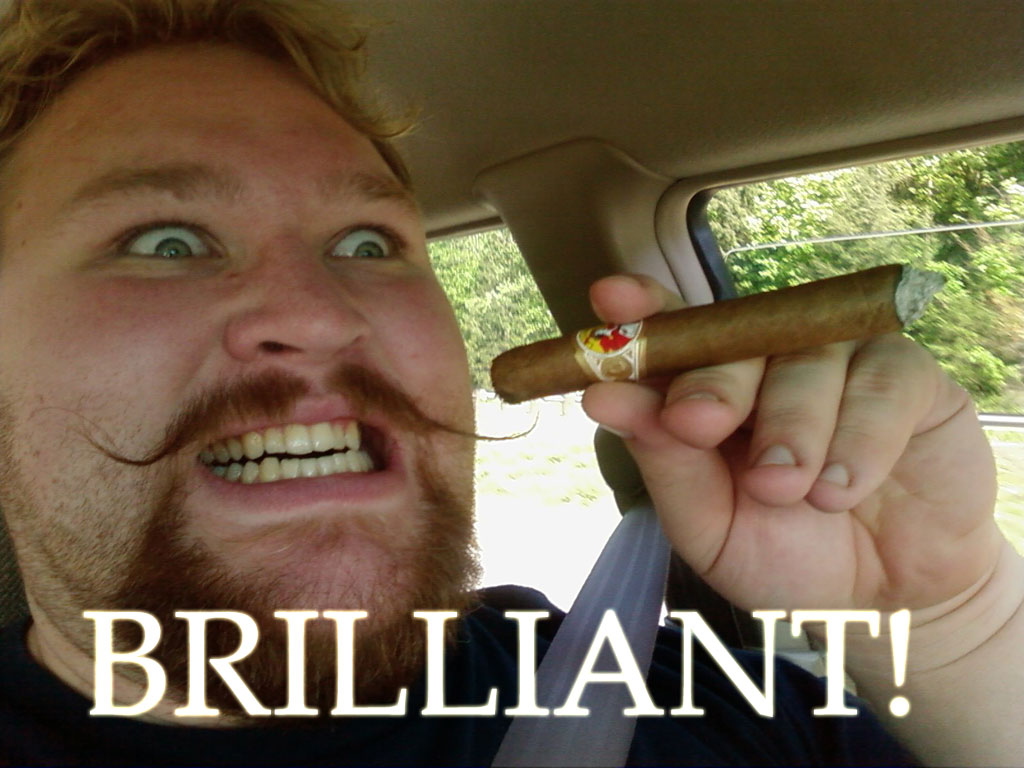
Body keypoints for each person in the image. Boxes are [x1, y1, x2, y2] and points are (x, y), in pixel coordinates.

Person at [0, 0, 1019, 765]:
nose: (320, 315)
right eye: (164, 241)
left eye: (365, 242)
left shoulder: (680, 701)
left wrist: (952, 625)